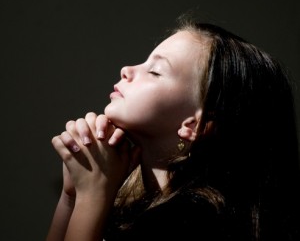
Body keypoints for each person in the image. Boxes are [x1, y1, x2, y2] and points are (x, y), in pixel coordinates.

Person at [46, 14, 300, 241]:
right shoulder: (137, 206)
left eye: (155, 71)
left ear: (196, 124)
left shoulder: (193, 221)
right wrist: (73, 196)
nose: (127, 70)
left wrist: (92, 197)